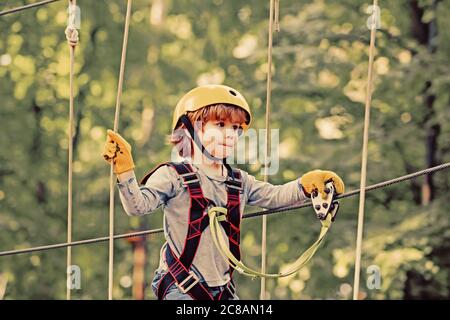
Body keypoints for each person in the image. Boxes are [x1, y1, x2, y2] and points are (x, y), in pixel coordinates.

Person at [102, 84, 345, 300]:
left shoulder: (238, 181)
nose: (230, 133)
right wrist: (125, 172)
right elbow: (137, 206)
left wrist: (306, 185)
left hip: (223, 289)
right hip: (180, 287)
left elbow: (275, 196)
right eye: (220, 124)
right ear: (189, 129)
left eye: (236, 128)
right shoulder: (173, 175)